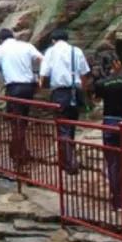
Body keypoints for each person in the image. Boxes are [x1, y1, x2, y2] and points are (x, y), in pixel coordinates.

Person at [91, 49, 122, 211]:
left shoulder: (101, 84)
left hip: (109, 124)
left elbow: (96, 99)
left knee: (113, 163)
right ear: (115, 63)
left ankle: (118, 202)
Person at [0, 26, 42, 167]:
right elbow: (41, 58)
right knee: (23, 120)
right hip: (28, 87)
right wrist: (40, 76)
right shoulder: (26, 45)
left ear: (0, 40)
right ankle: (21, 150)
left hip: (14, 89)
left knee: (15, 122)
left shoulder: (0, 49)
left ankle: (18, 155)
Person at [40, 27, 90, 174]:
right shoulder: (77, 51)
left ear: (53, 40)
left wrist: (41, 87)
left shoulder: (51, 52)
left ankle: (69, 163)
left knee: (63, 129)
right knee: (71, 127)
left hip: (60, 93)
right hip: (76, 92)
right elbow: (84, 74)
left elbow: (44, 74)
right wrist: (84, 93)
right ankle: (68, 158)